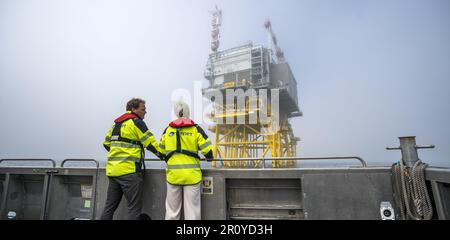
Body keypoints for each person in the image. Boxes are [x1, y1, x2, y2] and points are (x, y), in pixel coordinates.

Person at [100, 98, 165, 220]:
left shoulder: (116, 124)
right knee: (134, 208)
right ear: (133, 109)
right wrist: (164, 156)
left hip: (113, 171)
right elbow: (150, 143)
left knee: (109, 207)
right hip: (129, 172)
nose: (146, 112)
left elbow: (106, 144)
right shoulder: (137, 122)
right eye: (143, 109)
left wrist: (119, 155)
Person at [160, 101, 213, 220]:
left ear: (176, 113)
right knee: (192, 213)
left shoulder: (168, 130)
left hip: (173, 176)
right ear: (188, 112)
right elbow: (208, 152)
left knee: (172, 212)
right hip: (191, 176)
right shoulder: (196, 129)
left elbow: (161, 152)